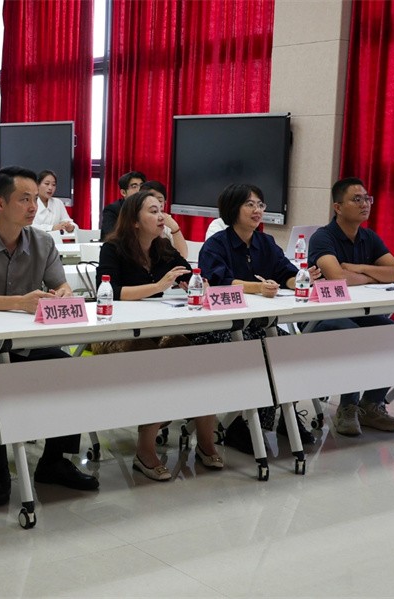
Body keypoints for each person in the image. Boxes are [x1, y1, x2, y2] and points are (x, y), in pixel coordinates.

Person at [0, 165, 99, 506]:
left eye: (35, 199)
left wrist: (63, 293)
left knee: (70, 372)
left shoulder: (42, 241)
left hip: (26, 343)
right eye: (24, 199)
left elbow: (60, 284)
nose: (33, 207)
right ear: (0, 203)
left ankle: (53, 461)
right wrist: (19, 302)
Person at [198, 183, 321, 447]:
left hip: (259, 324)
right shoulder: (215, 245)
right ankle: (238, 424)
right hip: (221, 327)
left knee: (290, 350)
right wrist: (258, 288)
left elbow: (285, 272)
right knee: (260, 353)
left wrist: (299, 279)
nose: (257, 210)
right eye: (250, 204)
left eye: (260, 204)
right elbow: (219, 282)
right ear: (233, 209)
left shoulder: (266, 242)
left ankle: (286, 417)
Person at [94, 191, 199, 479]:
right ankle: (145, 448)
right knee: (155, 360)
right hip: (114, 334)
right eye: (153, 211)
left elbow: (189, 275)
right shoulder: (113, 248)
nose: (161, 216)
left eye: (161, 210)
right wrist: (158, 286)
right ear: (135, 221)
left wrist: (193, 283)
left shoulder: (162, 248)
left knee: (187, 349)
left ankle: (176, 426)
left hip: (155, 330)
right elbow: (109, 291)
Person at [307, 177, 394, 436]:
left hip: (358, 313)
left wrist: (359, 269)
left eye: (367, 199)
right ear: (338, 207)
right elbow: (337, 278)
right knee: (355, 334)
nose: (365, 204)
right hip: (322, 317)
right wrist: (373, 276)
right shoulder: (322, 237)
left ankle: (371, 405)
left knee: (393, 333)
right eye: (356, 199)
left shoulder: (368, 237)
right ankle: (347, 407)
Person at [140, 180, 188, 257]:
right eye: (151, 200)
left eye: (159, 200)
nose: (156, 204)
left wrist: (174, 228)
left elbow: (183, 255)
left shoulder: (167, 223)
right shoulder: (136, 222)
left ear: (165, 202)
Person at [100, 170, 145, 240]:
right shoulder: (112, 210)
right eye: (134, 186)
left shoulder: (147, 208)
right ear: (123, 192)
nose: (139, 189)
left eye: (142, 186)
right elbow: (111, 234)